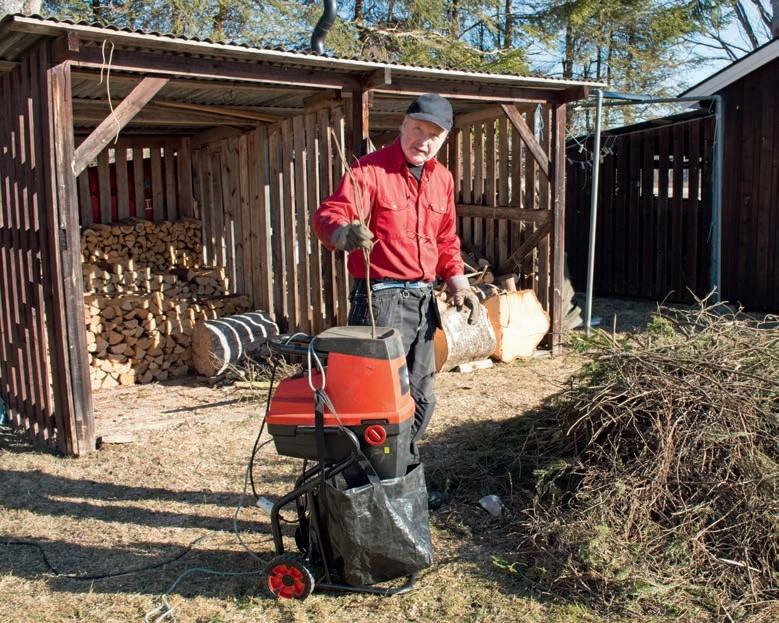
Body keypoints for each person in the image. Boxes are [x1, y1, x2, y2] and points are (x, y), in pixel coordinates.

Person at [313, 93, 481, 480]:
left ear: (443, 140)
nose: (423, 140)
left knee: (420, 399)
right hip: (380, 301)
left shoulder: (442, 179)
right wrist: (342, 233)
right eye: (418, 129)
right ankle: (367, 482)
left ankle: (398, 477)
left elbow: (446, 240)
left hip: (424, 302)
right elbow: (330, 214)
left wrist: (459, 283)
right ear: (403, 126)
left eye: (433, 134)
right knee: (374, 402)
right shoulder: (368, 172)